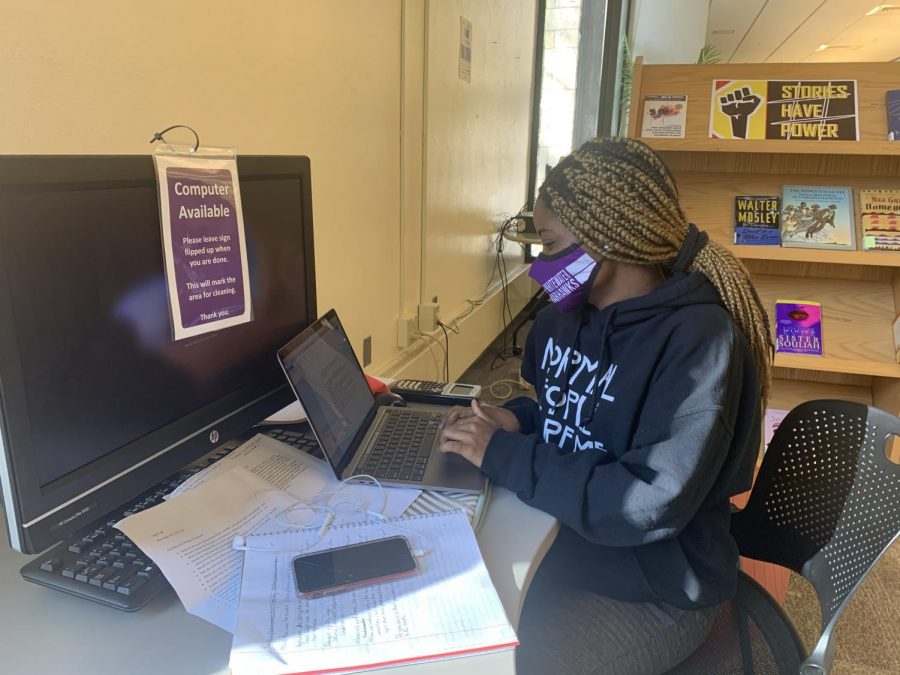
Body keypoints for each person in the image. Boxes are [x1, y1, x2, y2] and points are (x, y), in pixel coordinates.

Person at [438, 137, 772, 674]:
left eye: (548, 244)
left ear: (605, 239)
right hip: (570, 541)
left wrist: (505, 455)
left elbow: (645, 502)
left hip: (655, 583)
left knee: (506, 666)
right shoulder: (569, 316)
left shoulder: (699, 344)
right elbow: (577, 418)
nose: (541, 265)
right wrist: (518, 419)